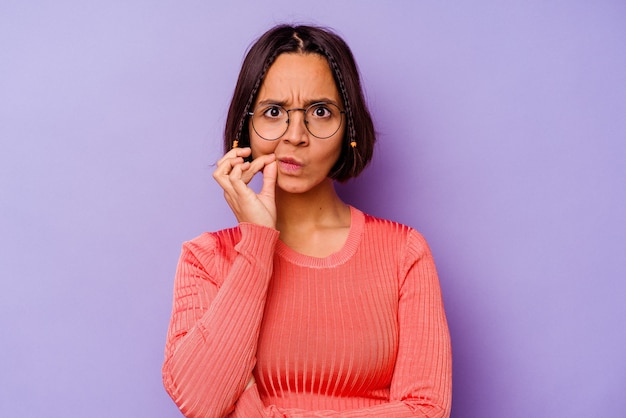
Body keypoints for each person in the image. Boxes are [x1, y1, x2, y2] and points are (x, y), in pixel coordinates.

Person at [162, 24, 452, 417]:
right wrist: (257, 244)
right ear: (245, 126)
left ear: (349, 126)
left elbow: (426, 411)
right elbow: (200, 401)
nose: (295, 135)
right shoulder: (207, 259)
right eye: (274, 112)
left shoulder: (403, 253)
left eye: (320, 112)